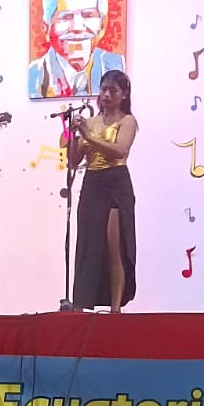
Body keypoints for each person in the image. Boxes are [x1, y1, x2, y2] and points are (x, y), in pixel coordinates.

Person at [68, 69, 137, 312]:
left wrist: (88, 136)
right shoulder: (90, 122)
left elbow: (120, 150)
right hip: (92, 182)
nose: (107, 95)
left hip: (116, 182)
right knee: (87, 244)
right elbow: (73, 162)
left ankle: (115, 308)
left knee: (114, 245)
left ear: (124, 94)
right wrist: (73, 136)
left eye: (113, 91)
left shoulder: (127, 121)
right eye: (104, 89)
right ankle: (81, 305)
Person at [27, 0, 126, 99]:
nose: (78, 28)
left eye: (88, 15)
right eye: (66, 17)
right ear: (46, 28)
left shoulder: (119, 65)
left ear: (102, 25)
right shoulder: (34, 74)